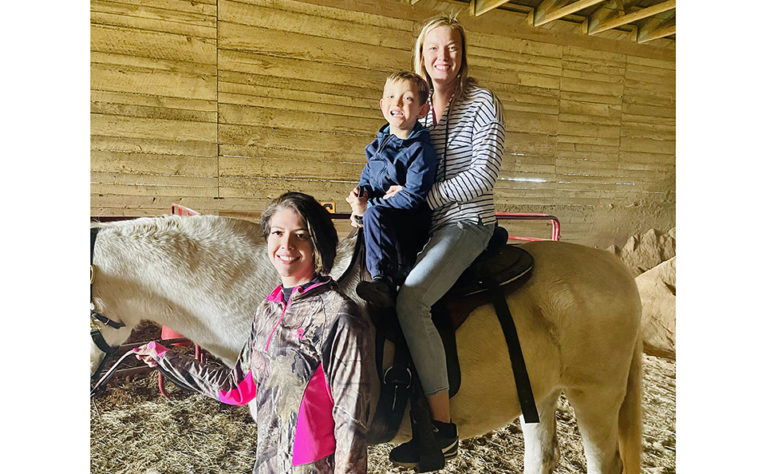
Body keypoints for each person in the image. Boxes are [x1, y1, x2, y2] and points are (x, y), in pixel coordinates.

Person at [133, 192, 378, 473]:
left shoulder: (338, 314)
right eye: (277, 232)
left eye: (300, 235)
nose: (286, 244)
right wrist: (165, 357)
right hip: (268, 463)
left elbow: (351, 418)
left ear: (317, 243)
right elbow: (236, 387)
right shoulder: (269, 309)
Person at [385, 16, 506, 468]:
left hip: (466, 221)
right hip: (424, 225)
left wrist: (424, 198)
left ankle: (442, 430)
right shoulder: (416, 105)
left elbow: (482, 175)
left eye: (451, 48)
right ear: (421, 54)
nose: (442, 57)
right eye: (433, 48)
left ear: (462, 53)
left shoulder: (482, 102)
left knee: (412, 300)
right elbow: (395, 158)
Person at [347, 71, 437, 308]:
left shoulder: (420, 150)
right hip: (382, 219)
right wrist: (359, 203)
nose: (397, 103)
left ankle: (384, 280)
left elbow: (412, 196)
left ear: (422, 110)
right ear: (382, 104)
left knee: (374, 215)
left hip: (408, 224)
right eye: (391, 96)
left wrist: (370, 208)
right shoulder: (377, 148)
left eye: (407, 98)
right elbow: (365, 182)